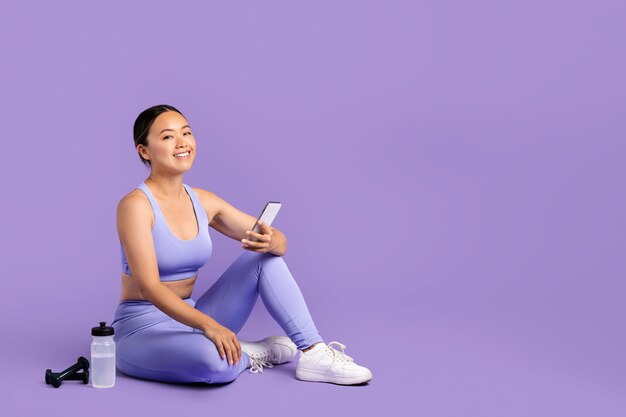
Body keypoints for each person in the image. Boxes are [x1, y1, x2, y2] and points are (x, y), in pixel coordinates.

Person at [110, 104, 373, 385]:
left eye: (186, 133)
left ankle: (314, 352)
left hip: (194, 316)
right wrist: (211, 326)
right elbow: (149, 287)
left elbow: (279, 244)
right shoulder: (135, 206)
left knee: (264, 259)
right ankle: (251, 352)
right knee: (215, 364)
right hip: (143, 330)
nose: (182, 142)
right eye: (167, 137)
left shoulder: (203, 200)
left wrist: (272, 240)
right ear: (144, 151)